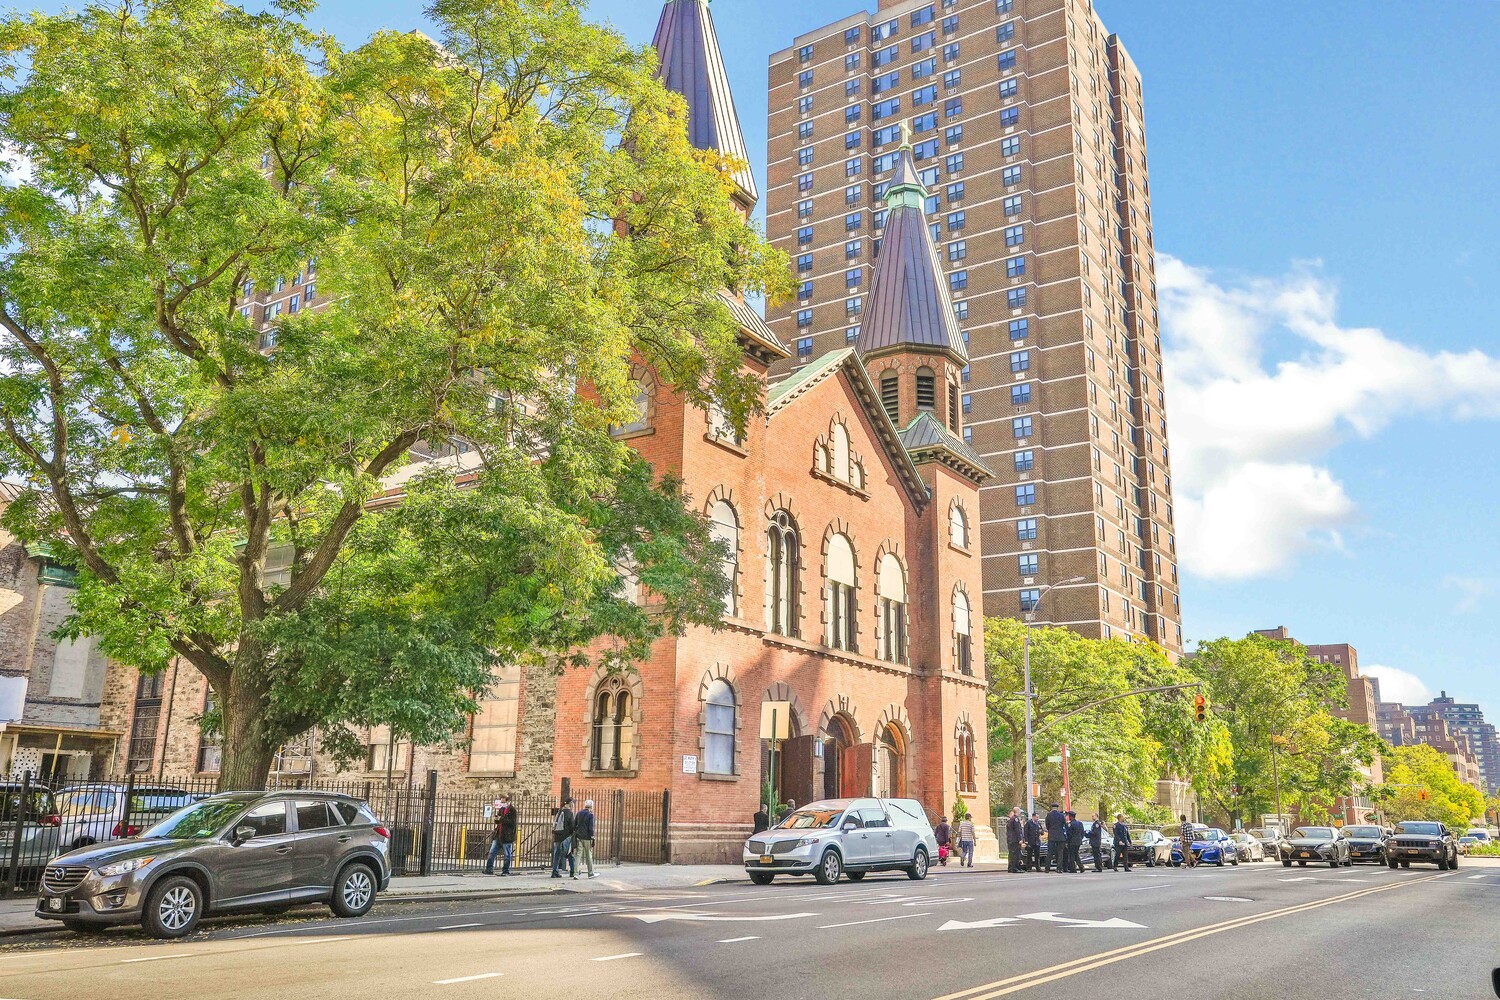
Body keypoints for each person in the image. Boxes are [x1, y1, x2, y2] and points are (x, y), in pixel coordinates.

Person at [485, 796, 517, 876]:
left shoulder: (512, 810)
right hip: (498, 834)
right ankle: (489, 869)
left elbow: (512, 823)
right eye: (501, 802)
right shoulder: (501, 809)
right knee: (492, 852)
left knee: (507, 854)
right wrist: (496, 819)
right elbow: (498, 821)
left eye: (503, 802)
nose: (502, 804)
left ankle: (505, 870)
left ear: (508, 801)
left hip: (507, 836)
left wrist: (501, 819)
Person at [550, 797, 576, 878]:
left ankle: (555, 871)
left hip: (557, 836)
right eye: (573, 803)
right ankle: (573, 871)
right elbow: (572, 826)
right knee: (569, 854)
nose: (573, 805)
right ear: (570, 804)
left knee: (556, 854)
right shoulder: (569, 813)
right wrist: (572, 834)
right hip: (566, 837)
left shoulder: (559, 812)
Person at [573, 799, 597, 879]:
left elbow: (574, 824)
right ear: (592, 806)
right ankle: (590, 873)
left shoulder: (579, 813)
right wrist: (592, 836)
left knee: (578, 855)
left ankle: (575, 873)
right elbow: (591, 828)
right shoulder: (591, 815)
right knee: (588, 855)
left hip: (579, 837)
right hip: (587, 838)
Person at [1045, 803, 1067, 873]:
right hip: (1060, 836)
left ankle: (1047, 868)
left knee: (1050, 852)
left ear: (1052, 808)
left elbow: (1047, 825)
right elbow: (1064, 824)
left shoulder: (1049, 815)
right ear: (1057, 808)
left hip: (1052, 836)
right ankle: (1059, 868)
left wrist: (1051, 830)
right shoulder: (1061, 815)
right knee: (1060, 853)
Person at [1005, 807, 1024, 873]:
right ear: (1017, 811)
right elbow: (1017, 830)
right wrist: (1020, 839)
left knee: (1011, 854)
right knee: (1016, 854)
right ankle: (1015, 868)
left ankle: (1011, 868)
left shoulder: (1011, 819)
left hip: (1011, 839)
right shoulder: (1015, 819)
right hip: (1015, 840)